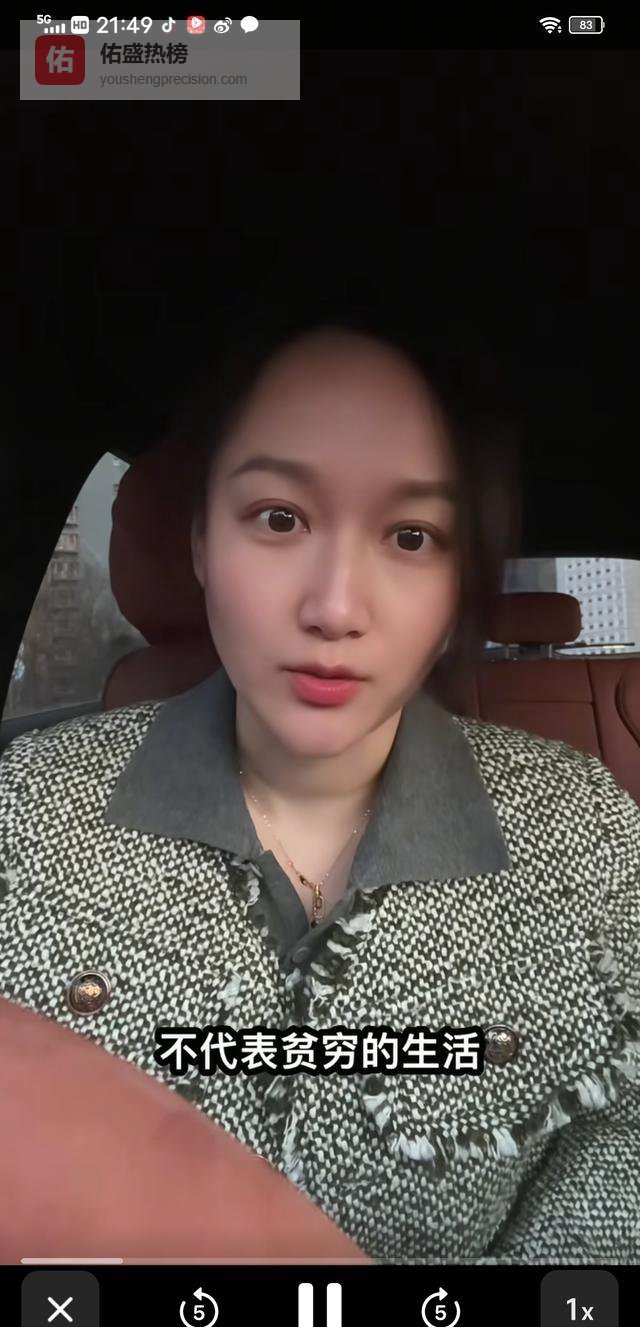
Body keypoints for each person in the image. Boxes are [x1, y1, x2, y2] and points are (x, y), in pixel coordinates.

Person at [0, 312, 638, 1265]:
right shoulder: (26, 811)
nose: (335, 606)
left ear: (458, 584)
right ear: (202, 543)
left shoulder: (586, 833)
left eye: (412, 535)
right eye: (279, 518)